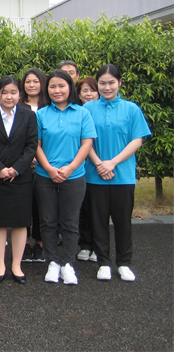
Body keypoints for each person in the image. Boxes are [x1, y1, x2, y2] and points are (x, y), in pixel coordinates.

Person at [84, 64, 151, 282]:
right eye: (102, 83)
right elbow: (84, 141)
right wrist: (99, 164)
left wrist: (112, 163)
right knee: (98, 220)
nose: (107, 87)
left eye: (111, 82)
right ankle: (103, 262)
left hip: (123, 175)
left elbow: (137, 140)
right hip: (95, 175)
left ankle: (124, 263)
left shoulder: (132, 109)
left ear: (120, 83)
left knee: (123, 221)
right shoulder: (88, 109)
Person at [35, 69, 96, 285]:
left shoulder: (82, 113)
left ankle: (68, 264)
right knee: (48, 221)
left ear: (70, 87)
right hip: (44, 175)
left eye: (61, 86)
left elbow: (86, 143)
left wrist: (70, 168)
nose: (57, 90)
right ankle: (52, 262)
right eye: (52, 86)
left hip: (75, 175)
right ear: (47, 89)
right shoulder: (41, 114)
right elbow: (37, 145)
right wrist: (50, 169)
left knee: (70, 222)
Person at [0, 76, 38, 284]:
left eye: (13, 92)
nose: (9, 96)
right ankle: (0, 265)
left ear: (19, 95)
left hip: (20, 178)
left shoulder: (28, 115)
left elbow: (31, 146)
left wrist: (16, 169)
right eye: (5, 92)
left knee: (21, 223)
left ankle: (17, 265)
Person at [19, 68, 48, 263]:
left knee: (42, 207)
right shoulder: (18, 107)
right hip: (22, 164)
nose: (31, 85)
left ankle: (39, 243)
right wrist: (27, 158)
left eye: (35, 81)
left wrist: (39, 157)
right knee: (24, 206)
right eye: (28, 81)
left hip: (45, 164)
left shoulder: (50, 107)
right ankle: (25, 244)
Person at [76, 76, 100, 262]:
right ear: (79, 94)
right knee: (83, 208)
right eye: (85, 90)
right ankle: (85, 244)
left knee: (98, 209)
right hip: (82, 167)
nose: (89, 94)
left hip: (100, 166)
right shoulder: (77, 111)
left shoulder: (99, 111)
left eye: (92, 90)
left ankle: (98, 246)